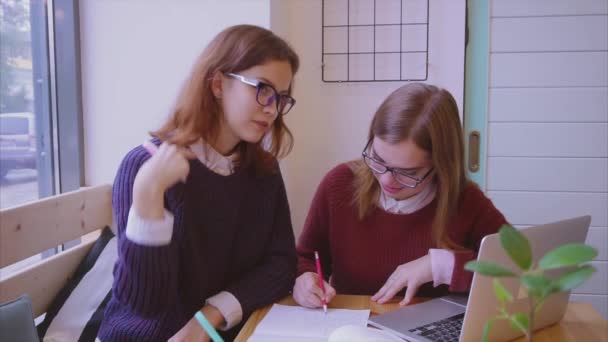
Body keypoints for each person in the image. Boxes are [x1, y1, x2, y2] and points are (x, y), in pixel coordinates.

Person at [99, 25, 300, 341]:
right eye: (262, 88)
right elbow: (146, 305)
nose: (272, 109)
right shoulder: (145, 166)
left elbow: (281, 265)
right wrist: (148, 195)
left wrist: (209, 317)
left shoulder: (264, 171)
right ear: (218, 84)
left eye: (281, 98)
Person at [293, 83, 507, 310]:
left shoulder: (466, 201)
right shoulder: (339, 185)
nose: (386, 180)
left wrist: (441, 266)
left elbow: (521, 272)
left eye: (408, 173)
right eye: (378, 160)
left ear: (441, 166)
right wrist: (304, 281)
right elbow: (306, 257)